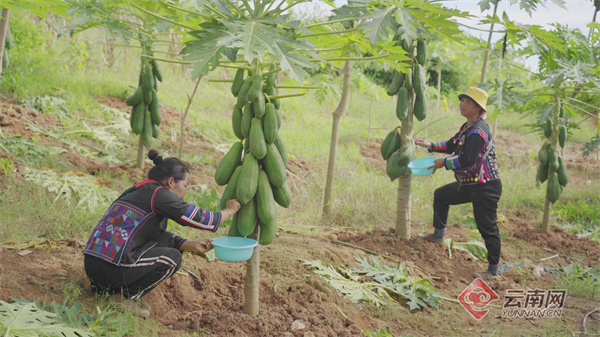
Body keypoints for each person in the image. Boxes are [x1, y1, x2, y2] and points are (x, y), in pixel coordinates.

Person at [83, 150, 241, 318]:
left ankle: (107, 288)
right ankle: (124, 296)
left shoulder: (140, 190)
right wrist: (230, 210)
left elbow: (157, 235)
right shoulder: (160, 195)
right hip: (110, 269)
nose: (185, 192)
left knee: (165, 239)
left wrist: (191, 244)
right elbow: (204, 220)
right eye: (185, 186)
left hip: (94, 266)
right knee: (172, 259)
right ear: (171, 182)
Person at [415, 87, 502, 281]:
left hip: (485, 187)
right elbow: (451, 144)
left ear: (478, 107)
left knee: (487, 227)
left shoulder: (478, 131)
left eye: (467, 102)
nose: (462, 104)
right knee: (441, 195)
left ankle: (493, 271)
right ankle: (438, 236)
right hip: (469, 184)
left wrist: (442, 163)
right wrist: (428, 145)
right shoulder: (467, 127)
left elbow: (467, 160)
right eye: (462, 100)